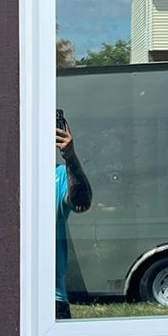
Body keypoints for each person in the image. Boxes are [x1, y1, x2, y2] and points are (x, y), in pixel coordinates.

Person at [56, 118, 92, 319]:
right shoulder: (7, 177)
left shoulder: (60, 175)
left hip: (52, 299)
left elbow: (82, 202)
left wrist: (70, 157)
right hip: (10, 294)